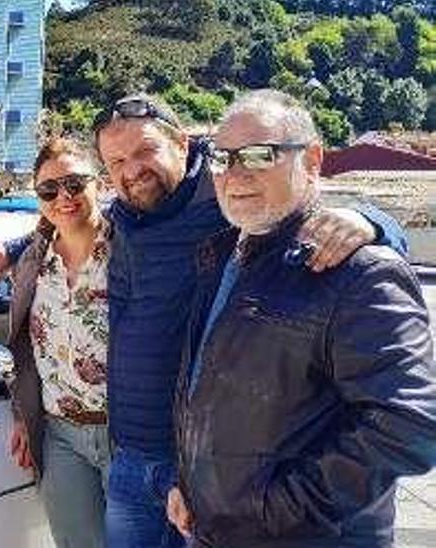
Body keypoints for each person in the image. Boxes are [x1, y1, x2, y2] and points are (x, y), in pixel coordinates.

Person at [93, 93, 407, 548]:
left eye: (145, 151)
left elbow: (307, 203)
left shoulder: (228, 196)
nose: (131, 169)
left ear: (183, 144)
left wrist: (371, 221)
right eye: (116, 161)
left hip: (209, 466)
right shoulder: (125, 218)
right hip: (137, 455)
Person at [165, 89, 436, 547]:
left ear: (312, 160)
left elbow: (408, 425)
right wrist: (192, 486)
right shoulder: (223, 257)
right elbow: (206, 395)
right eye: (223, 158)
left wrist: (271, 511)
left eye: (258, 155)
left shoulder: (360, 271)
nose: (235, 174)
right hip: (214, 527)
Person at [0, 136, 112, 548]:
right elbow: (22, 341)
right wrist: (25, 414)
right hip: (60, 434)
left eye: (75, 184)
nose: (63, 197)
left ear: (99, 182)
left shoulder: (131, 247)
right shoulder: (34, 258)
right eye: (49, 189)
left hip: (129, 437)